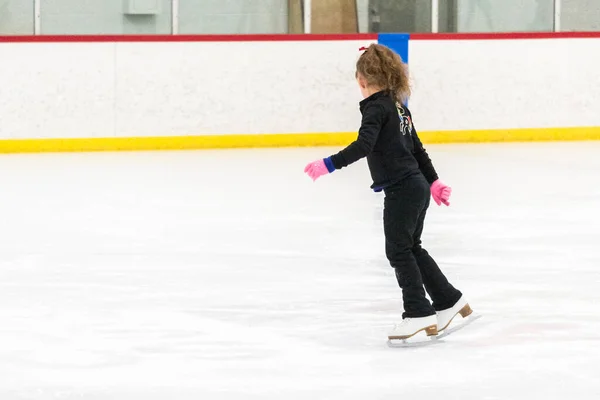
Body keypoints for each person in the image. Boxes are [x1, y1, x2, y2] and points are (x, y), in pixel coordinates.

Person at [303, 43, 473, 340]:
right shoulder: (399, 107)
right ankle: (448, 300)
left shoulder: (375, 108)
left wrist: (329, 164)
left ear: (362, 80)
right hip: (416, 187)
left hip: (402, 189)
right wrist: (433, 182)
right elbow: (417, 149)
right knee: (411, 247)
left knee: (398, 250)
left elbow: (363, 145)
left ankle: (418, 312)